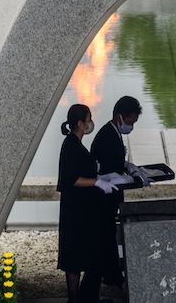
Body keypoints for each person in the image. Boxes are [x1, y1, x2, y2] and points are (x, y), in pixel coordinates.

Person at [57, 104, 118, 303]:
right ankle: (75, 299)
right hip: (74, 210)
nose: (91, 122)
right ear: (80, 123)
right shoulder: (70, 146)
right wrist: (97, 182)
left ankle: (82, 298)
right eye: (88, 118)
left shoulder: (77, 144)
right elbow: (71, 179)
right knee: (73, 255)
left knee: (78, 253)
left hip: (82, 209)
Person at [89, 96, 150, 289]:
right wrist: (130, 178)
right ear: (119, 117)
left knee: (108, 236)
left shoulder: (114, 133)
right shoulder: (107, 135)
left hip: (111, 197)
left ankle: (111, 275)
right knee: (106, 237)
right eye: (130, 121)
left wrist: (129, 167)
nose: (131, 126)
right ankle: (111, 277)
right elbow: (105, 170)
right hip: (103, 198)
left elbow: (116, 162)